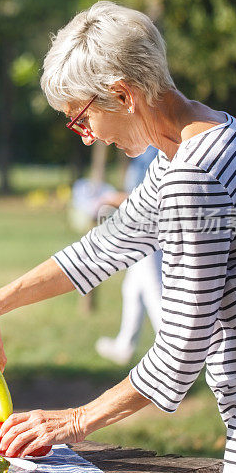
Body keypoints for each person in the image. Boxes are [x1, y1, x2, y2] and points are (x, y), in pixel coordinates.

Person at [0, 1, 236, 473]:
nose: (85, 138)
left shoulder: (192, 177)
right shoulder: (209, 136)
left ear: (123, 95)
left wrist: (75, 421)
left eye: (81, 119)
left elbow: (179, 353)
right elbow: (107, 246)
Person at [95, 145, 162, 365]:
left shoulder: (153, 152)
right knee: (132, 289)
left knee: (155, 291)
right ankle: (125, 345)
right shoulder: (144, 151)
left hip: (150, 232)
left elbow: (150, 198)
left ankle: (176, 351)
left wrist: (114, 197)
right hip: (142, 230)